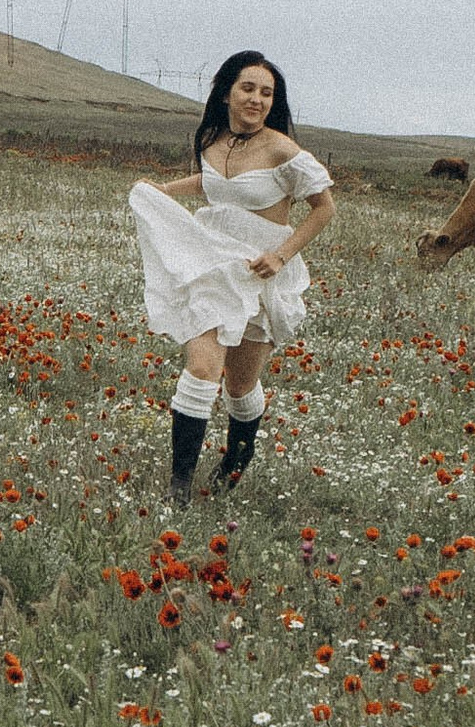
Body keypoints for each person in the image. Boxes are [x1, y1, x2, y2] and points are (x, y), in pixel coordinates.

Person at [128, 49, 335, 497]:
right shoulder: (211, 141)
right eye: (248, 88)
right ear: (226, 92)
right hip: (212, 262)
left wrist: (280, 255)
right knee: (203, 368)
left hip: (259, 272)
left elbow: (324, 207)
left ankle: (235, 464)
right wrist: (162, 191)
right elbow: (209, 182)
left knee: (240, 388)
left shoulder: (284, 150)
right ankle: (179, 487)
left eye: (266, 93)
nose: (257, 99)